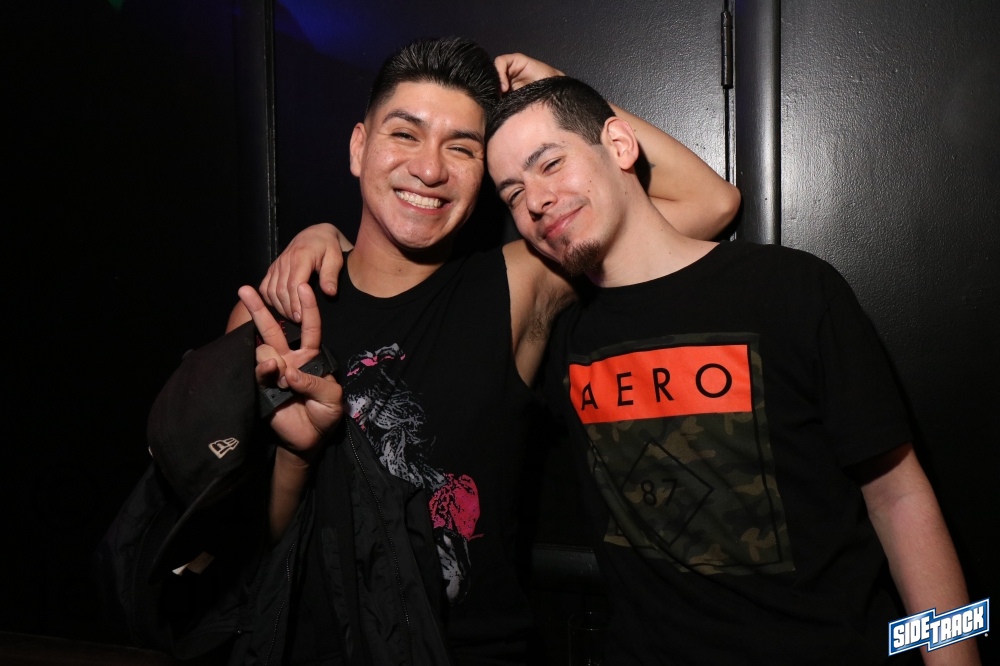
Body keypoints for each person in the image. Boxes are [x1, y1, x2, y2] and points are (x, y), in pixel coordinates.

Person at [96, 37, 740, 666]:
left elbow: (709, 203)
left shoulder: (516, 287)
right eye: (405, 134)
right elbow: (242, 554)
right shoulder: (277, 314)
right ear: (359, 147)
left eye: (461, 148)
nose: (430, 169)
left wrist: (559, 93)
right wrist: (297, 454)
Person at [475, 75, 980, 665]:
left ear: (619, 144)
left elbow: (898, 498)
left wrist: (954, 659)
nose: (536, 201)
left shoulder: (789, 287)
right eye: (513, 193)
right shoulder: (562, 336)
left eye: (551, 163)